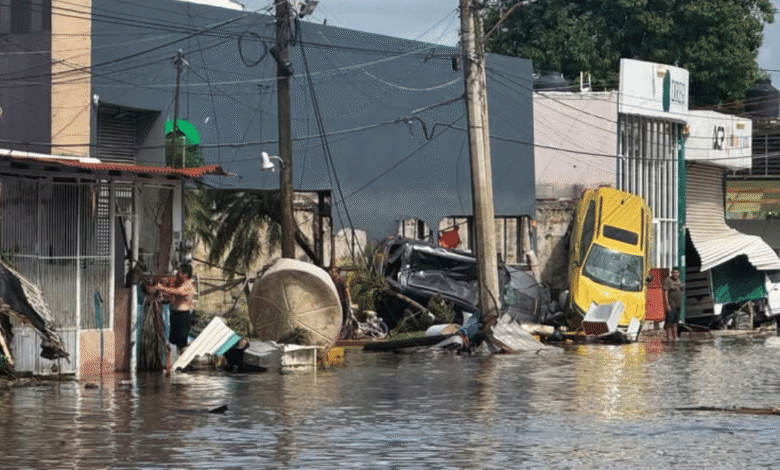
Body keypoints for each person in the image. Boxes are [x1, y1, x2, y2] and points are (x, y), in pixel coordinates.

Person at [154, 263, 196, 354]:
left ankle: (181, 362)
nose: (177, 274)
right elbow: (174, 296)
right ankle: (172, 362)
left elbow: (178, 292)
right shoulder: (180, 284)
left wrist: (163, 288)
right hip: (174, 314)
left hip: (183, 316)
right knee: (172, 341)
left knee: (181, 343)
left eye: (180, 272)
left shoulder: (188, 286)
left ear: (185, 274)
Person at [663, 267, 683, 342]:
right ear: (671, 273)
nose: (675, 274)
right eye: (674, 273)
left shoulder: (678, 280)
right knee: (669, 322)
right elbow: (665, 292)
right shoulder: (668, 280)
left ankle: (675, 338)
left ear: (679, 274)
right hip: (671, 304)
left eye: (676, 273)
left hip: (678, 305)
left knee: (675, 322)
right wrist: (667, 305)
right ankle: (668, 338)